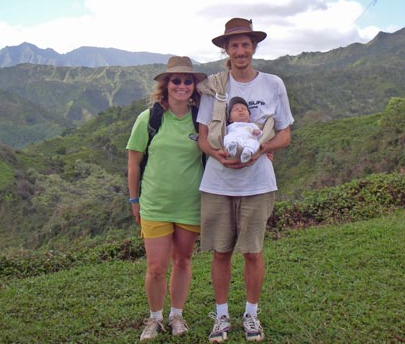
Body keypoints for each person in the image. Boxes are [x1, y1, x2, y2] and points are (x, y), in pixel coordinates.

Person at [196, 18, 294, 342]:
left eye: (245, 44)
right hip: (218, 183)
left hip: (258, 183)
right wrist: (217, 154)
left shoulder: (273, 84)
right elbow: (202, 139)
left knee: (253, 252)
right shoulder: (215, 85)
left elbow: (285, 134)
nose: (240, 51)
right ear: (226, 49)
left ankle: (251, 315)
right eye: (234, 45)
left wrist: (262, 148)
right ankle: (221, 316)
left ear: (254, 47)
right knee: (220, 252)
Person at [126, 56, 206, 341]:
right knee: (156, 266)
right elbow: (134, 162)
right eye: (176, 80)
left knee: (183, 261)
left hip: (190, 205)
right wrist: (134, 200)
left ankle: (176, 314)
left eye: (187, 81)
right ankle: (155, 317)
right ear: (166, 84)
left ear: (194, 86)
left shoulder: (201, 119)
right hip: (155, 204)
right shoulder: (149, 119)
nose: (181, 85)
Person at [224, 96, 263, 163]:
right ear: (230, 119)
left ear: (249, 117)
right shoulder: (230, 126)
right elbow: (223, 134)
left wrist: (258, 132)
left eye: (244, 109)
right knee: (228, 137)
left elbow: (260, 134)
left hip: (248, 139)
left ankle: (247, 153)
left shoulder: (252, 125)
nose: (240, 110)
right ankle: (231, 147)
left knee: (254, 142)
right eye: (236, 110)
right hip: (235, 139)